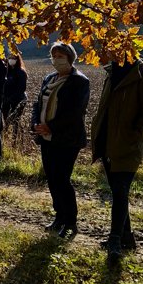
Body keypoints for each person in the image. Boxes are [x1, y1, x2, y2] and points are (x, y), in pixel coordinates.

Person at [90, 51, 143, 264]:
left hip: (127, 145)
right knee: (117, 191)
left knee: (120, 191)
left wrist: (133, 135)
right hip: (107, 141)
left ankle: (115, 241)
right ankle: (127, 237)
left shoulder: (142, 72)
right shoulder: (112, 71)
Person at [31, 43, 91, 238]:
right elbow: (38, 104)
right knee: (52, 178)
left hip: (67, 139)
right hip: (46, 137)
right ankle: (59, 217)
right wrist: (35, 124)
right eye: (54, 55)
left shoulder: (80, 82)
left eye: (61, 55)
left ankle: (70, 221)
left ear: (70, 58)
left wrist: (52, 126)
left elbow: (74, 112)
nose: (57, 59)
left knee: (62, 179)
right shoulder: (50, 78)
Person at [2, 52, 28, 137]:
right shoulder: (6, 71)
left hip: (18, 99)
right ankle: (4, 136)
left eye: (13, 58)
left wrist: (12, 98)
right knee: (5, 118)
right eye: (10, 58)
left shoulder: (21, 72)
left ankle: (16, 138)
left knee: (15, 120)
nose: (11, 60)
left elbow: (21, 88)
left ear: (17, 60)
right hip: (6, 99)